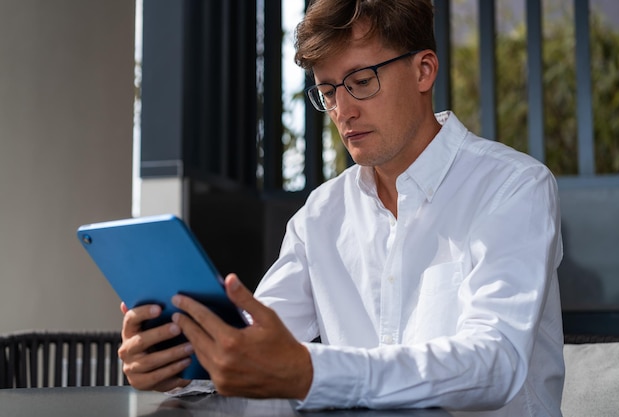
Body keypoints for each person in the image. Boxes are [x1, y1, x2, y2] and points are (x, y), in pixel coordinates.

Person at [118, 0, 565, 415]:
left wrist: (311, 372)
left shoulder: (513, 188)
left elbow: (494, 361)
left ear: (424, 70)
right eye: (328, 91)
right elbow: (255, 341)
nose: (342, 110)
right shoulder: (321, 216)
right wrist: (183, 363)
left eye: (361, 82)